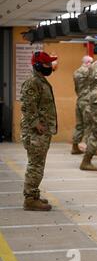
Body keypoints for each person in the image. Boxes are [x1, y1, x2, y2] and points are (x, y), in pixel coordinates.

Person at [20, 51, 58, 211]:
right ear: (37, 65)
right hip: (35, 133)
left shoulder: (39, 80)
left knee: (38, 164)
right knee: (35, 165)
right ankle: (29, 199)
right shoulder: (32, 82)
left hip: (41, 132)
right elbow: (28, 105)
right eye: (47, 64)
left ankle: (33, 194)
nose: (50, 66)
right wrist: (36, 124)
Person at [71, 55, 93, 154]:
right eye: (91, 63)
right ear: (88, 62)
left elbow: (76, 88)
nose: (92, 65)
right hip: (87, 101)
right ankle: (90, 149)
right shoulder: (89, 72)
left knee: (79, 125)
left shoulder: (76, 72)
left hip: (80, 100)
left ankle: (75, 147)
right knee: (89, 125)